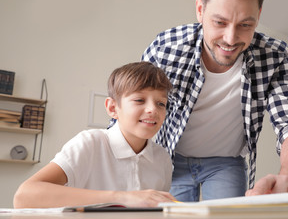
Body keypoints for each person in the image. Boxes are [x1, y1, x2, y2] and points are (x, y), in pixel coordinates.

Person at [140, 0, 288, 202]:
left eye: (245, 25)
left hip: (225, 164)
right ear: (200, 10)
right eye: (219, 22)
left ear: (258, 15)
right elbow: (131, 111)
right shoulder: (166, 47)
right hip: (170, 159)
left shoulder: (274, 58)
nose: (230, 38)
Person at [13, 62, 176, 208]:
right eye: (140, 100)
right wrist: (122, 198)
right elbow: (24, 196)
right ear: (113, 108)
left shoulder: (162, 159)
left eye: (161, 103)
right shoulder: (90, 143)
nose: (152, 110)